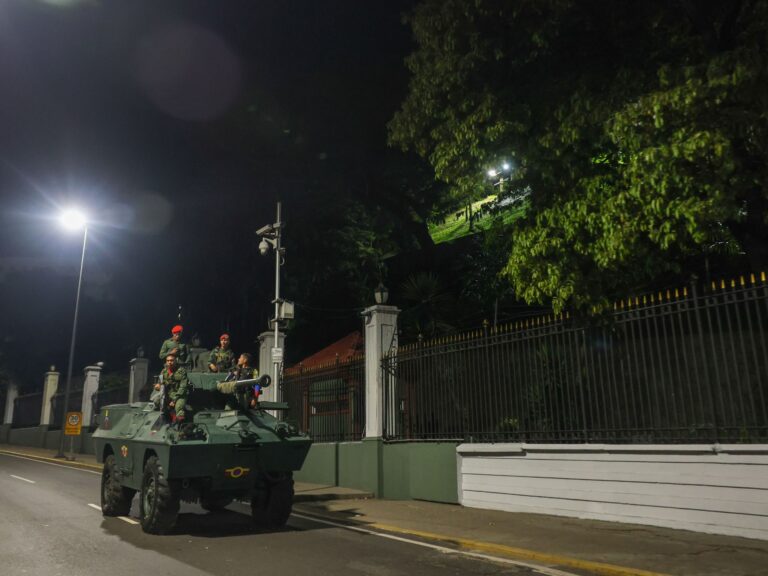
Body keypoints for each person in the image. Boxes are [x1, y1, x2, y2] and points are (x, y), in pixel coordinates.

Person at [155, 354, 190, 423]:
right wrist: (158, 386)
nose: (169, 362)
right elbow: (160, 382)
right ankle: (167, 414)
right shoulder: (164, 371)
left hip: (179, 395)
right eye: (167, 361)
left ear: (175, 361)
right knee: (156, 401)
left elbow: (183, 388)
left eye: (171, 360)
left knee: (179, 408)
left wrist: (174, 400)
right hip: (167, 394)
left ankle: (180, 424)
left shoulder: (182, 371)